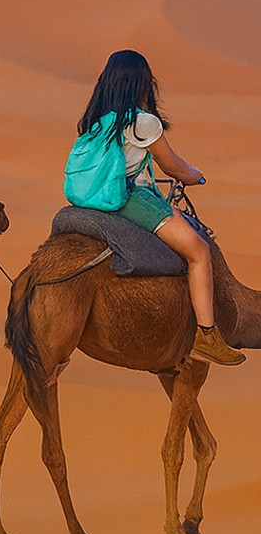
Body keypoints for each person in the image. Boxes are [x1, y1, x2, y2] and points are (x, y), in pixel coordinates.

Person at [75, 49, 243, 365]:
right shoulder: (143, 123)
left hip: (91, 198)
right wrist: (196, 176)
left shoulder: (95, 122)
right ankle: (206, 335)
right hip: (128, 199)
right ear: (141, 83)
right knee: (198, 250)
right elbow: (172, 166)